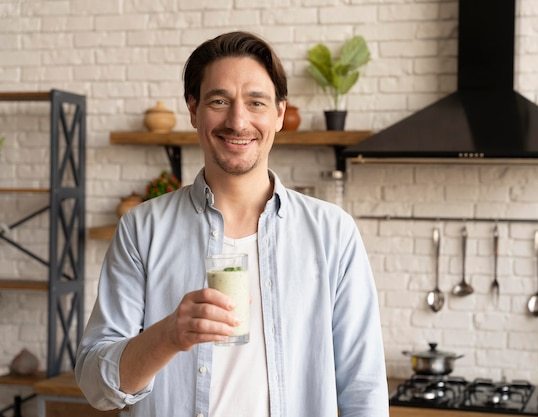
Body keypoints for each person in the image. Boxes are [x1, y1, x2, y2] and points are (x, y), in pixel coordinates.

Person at [75, 31, 389, 417]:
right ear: (194, 110)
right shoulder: (142, 229)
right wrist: (169, 334)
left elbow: (364, 390)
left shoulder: (332, 233)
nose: (238, 121)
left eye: (256, 102)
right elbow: (95, 385)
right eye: (219, 101)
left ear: (278, 113)